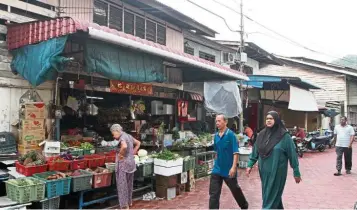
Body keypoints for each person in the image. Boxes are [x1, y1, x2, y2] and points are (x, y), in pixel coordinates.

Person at [246, 111, 301, 209]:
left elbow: (292, 154)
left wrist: (296, 171)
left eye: (271, 118)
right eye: (267, 118)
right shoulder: (261, 135)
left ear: (276, 120)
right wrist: (250, 164)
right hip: (264, 171)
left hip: (277, 171)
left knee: (269, 199)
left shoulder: (285, 137)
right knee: (270, 195)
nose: (268, 120)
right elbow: (256, 150)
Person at [209, 114, 249, 210]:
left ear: (225, 122)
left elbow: (235, 152)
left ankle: (244, 205)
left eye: (219, 121)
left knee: (235, 189)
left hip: (228, 169)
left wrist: (234, 167)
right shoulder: (216, 136)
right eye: (216, 121)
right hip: (217, 169)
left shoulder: (231, 135)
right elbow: (216, 151)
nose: (217, 123)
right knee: (213, 194)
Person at [104, 124, 141, 209]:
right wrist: (133, 152)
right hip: (131, 164)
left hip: (123, 165)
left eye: (113, 134)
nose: (113, 136)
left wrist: (120, 155)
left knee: (122, 185)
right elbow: (138, 143)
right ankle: (129, 202)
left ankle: (124, 206)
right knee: (129, 184)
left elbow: (124, 146)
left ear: (117, 131)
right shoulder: (128, 136)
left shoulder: (122, 137)